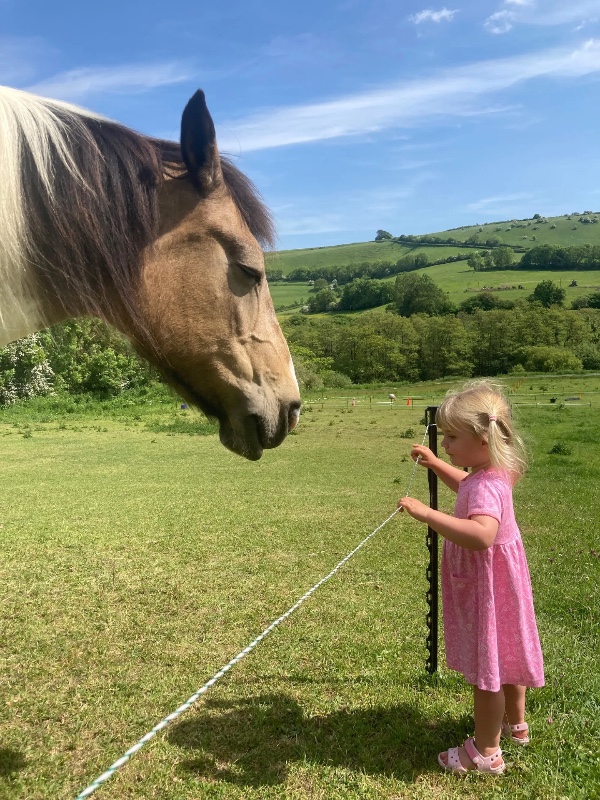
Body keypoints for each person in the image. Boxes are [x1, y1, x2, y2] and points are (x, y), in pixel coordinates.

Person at [398, 380, 544, 775]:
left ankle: (485, 752)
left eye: (450, 437)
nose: (444, 443)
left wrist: (427, 514)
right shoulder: (497, 471)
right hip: (503, 583)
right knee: (506, 652)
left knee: (488, 671)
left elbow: (481, 535)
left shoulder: (485, 484)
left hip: (486, 587)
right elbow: (468, 485)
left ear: (482, 439)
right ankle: (517, 726)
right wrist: (435, 463)